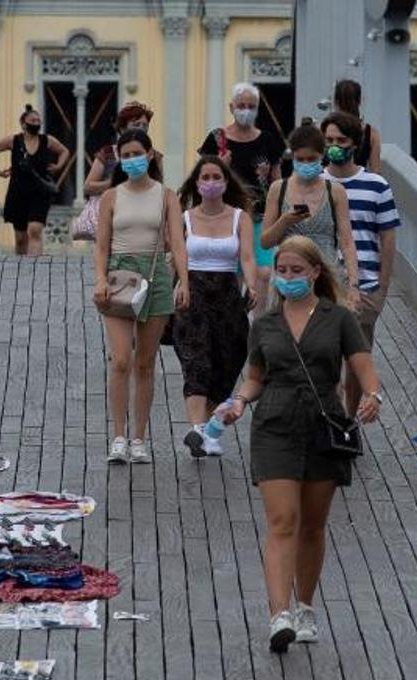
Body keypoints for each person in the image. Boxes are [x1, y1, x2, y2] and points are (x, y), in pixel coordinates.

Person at [220, 236, 382, 653]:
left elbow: (362, 366)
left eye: (296, 270)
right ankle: (280, 613)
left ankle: (306, 605)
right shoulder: (266, 323)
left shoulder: (337, 318)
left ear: (315, 272)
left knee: (312, 525)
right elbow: (256, 375)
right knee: (283, 521)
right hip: (275, 423)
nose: (288, 278)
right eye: (282, 270)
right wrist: (239, 400)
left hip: (322, 422)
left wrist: (372, 395)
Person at [92, 129, 189, 465]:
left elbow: (177, 242)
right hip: (120, 275)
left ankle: (139, 438)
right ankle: (118, 435)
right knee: (120, 359)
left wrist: (184, 282)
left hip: (155, 276)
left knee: (145, 363)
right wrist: (100, 279)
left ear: (150, 155)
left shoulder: (167, 196)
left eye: (138, 153)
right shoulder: (111, 196)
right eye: (126, 154)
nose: (132, 159)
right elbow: (101, 244)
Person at [174, 156, 258, 457]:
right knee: (197, 359)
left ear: (225, 181)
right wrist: (182, 284)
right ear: (197, 183)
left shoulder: (239, 217)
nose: (210, 182)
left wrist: (252, 284)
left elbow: (247, 257)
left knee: (227, 361)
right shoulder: (184, 218)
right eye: (205, 177)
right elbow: (180, 255)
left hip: (227, 294)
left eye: (216, 176)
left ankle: (210, 429)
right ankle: (196, 429)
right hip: (194, 293)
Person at [321, 111, 401, 414]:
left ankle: (349, 419)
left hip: (366, 284)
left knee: (356, 357)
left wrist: (382, 288)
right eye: (329, 140)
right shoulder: (315, 182)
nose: (334, 146)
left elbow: (388, 239)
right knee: (324, 354)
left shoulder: (376, 185)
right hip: (324, 283)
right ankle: (330, 415)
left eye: (341, 140)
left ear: (355, 143)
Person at [198, 83, 287, 312]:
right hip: (227, 218)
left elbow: (278, 182)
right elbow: (202, 177)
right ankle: (232, 324)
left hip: (260, 217)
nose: (245, 110)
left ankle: (258, 330)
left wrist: (280, 214)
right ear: (231, 107)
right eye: (241, 105)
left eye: (251, 106)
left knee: (264, 273)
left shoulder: (268, 140)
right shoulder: (217, 139)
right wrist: (221, 165)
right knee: (231, 273)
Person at [261, 119, 361, 311]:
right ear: (293, 157)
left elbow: (347, 242)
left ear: (321, 156)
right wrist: (284, 221)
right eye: (300, 159)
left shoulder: (335, 191)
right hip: (288, 280)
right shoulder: (278, 189)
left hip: (326, 279)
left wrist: (354, 285)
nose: (306, 164)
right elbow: (265, 241)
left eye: (311, 159)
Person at [0, 105, 70, 255]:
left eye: (38, 120)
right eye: (33, 120)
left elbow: (64, 151)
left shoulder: (47, 140)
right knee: (20, 238)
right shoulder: (14, 140)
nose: (36, 123)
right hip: (18, 193)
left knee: (35, 230)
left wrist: (58, 166)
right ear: (23, 123)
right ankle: (21, 268)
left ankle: (35, 267)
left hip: (40, 193)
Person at [83, 101, 164, 197]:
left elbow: (159, 187)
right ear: (122, 129)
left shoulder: (154, 155)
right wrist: (115, 182)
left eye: (145, 125)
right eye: (136, 125)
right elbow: (87, 187)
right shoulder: (108, 152)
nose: (142, 129)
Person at [332, 79, 382, 172]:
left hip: (329, 183)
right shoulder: (371, 133)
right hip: (358, 184)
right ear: (359, 101)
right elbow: (376, 170)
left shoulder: (324, 130)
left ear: (336, 102)